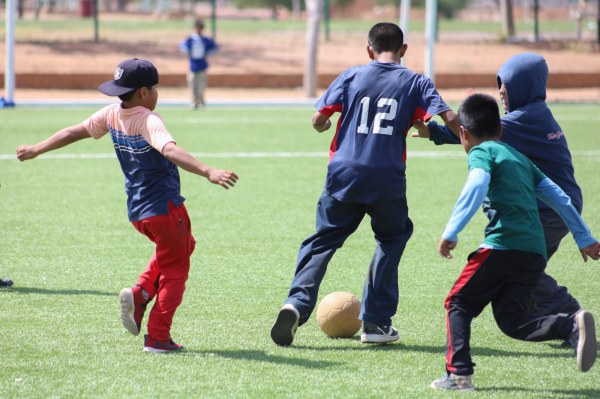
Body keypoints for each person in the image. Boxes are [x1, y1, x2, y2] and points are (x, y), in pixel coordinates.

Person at [16, 58, 238, 353]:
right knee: (176, 272)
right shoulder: (148, 119)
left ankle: (142, 291)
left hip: (138, 212)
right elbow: (169, 150)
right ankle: (158, 337)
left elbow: (74, 132)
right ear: (144, 92)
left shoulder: (112, 114)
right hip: (164, 208)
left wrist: (36, 148)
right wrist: (208, 171)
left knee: (184, 246)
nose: (158, 94)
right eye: (156, 88)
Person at [270, 22, 460, 347]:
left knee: (322, 241)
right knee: (392, 236)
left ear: (368, 49)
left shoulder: (352, 75)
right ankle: (375, 323)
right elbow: (450, 119)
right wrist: (460, 136)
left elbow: (318, 120)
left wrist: (326, 123)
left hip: (343, 174)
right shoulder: (416, 82)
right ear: (404, 50)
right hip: (386, 176)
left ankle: (297, 305)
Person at [429, 93, 598, 391]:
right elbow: (560, 197)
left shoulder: (481, 152)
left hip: (503, 245)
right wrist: (584, 238)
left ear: (464, 134)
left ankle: (458, 375)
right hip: (534, 253)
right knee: (513, 320)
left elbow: (477, 183)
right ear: (502, 129)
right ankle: (570, 325)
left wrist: (452, 230)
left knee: (458, 302)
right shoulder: (521, 158)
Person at [414, 53, 585, 337]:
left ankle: (573, 317)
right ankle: (556, 322)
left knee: (521, 264)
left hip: (549, 208)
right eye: (500, 85)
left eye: (506, 85)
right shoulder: (535, 113)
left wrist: (434, 130)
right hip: (556, 204)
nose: (501, 92)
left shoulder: (524, 119)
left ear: (525, 86)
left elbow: (475, 132)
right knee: (526, 269)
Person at [179, 19, 219, 109]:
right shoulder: (191, 39)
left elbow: (215, 47)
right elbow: (183, 46)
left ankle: (201, 101)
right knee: (192, 85)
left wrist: (208, 53)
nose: (199, 29)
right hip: (193, 66)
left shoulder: (205, 39)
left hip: (202, 66)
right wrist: (187, 52)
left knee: (201, 86)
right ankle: (194, 102)